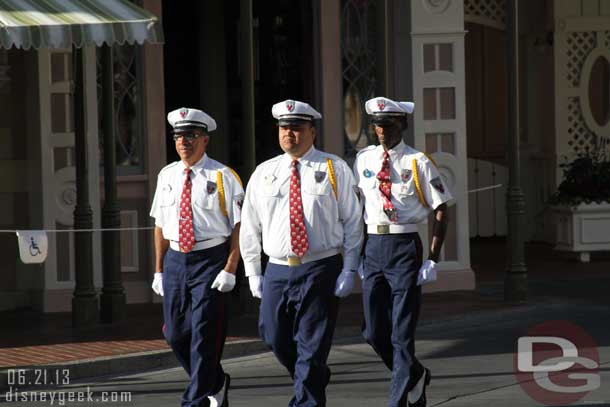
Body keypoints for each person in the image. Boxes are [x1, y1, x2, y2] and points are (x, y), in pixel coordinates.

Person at [239, 99, 363, 407]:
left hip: (320, 267)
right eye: (283, 128)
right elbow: (250, 226)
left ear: (312, 132)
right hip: (278, 269)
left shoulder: (334, 168)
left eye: (296, 128)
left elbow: (352, 220)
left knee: (312, 343)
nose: (288, 134)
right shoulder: (264, 172)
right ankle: (313, 374)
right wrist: (253, 271)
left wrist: (349, 268)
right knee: (272, 335)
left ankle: (307, 395)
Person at [353, 97, 453, 407]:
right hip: (372, 246)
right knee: (372, 331)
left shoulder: (417, 162)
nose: (381, 130)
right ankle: (416, 373)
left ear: (403, 125)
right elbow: (356, 208)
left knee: (401, 333)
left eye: (388, 124)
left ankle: (398, 400)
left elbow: (441, 208)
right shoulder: (363, 160)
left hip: (404, 247)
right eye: (377, 124)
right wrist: (354, 253)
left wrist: (433, 258)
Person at [150, 107, 244, 407]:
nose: (183, 142)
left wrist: (230, 267)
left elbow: (240, 226)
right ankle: (215, 382)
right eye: (178, 136)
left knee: (204, 333)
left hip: (210, 258)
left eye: (190, 135)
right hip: (177, 259)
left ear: (205, 140)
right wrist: (159, 270)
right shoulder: (167, 174)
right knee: (175, 334)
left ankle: (194, 400)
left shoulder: (223, 176)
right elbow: (160, 225)